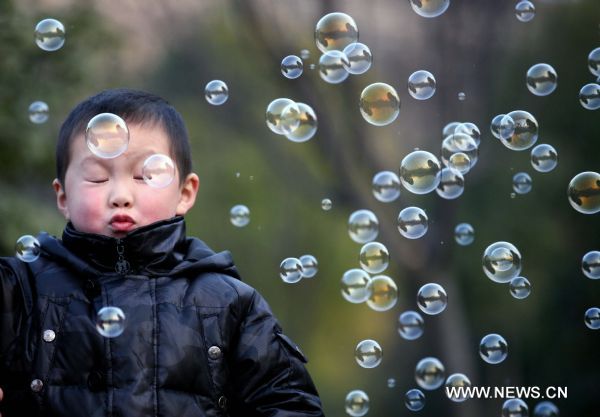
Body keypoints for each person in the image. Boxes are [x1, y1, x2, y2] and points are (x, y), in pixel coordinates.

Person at [0, 89, 325, 417]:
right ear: (63, 196)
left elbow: (289, 405)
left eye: (145, 175)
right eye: (97, 178)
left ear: (185, 192)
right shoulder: (20, 290)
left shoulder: (226, 304)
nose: (120, 195)